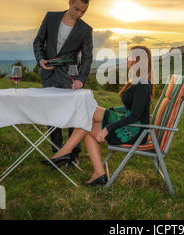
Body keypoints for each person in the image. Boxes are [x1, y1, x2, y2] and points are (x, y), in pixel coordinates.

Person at [41, 46, 154, 186]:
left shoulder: (143, 84)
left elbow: (135, 115)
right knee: (87, 123)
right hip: (132, 126)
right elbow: (130, 108)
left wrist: (108, 129)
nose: (127, 58)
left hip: (135, 131)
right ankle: (97, 173)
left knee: (87, 120)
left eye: (130, 56)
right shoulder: (138, 80)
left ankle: (64, 153)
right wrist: (110, 110)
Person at [33, 0, 93, 164]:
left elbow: (87, 57)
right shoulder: (50, 17)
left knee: (72, 115)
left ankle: (73, 155)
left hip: (70, 76)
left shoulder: (85, 29)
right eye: (77, 9)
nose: (79, 14)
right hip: (49, 73)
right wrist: (41, 59)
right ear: (69, 3)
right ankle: (57, 153)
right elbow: (38, 41)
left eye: (83, 11)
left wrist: (81, 79)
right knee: (52, 115)